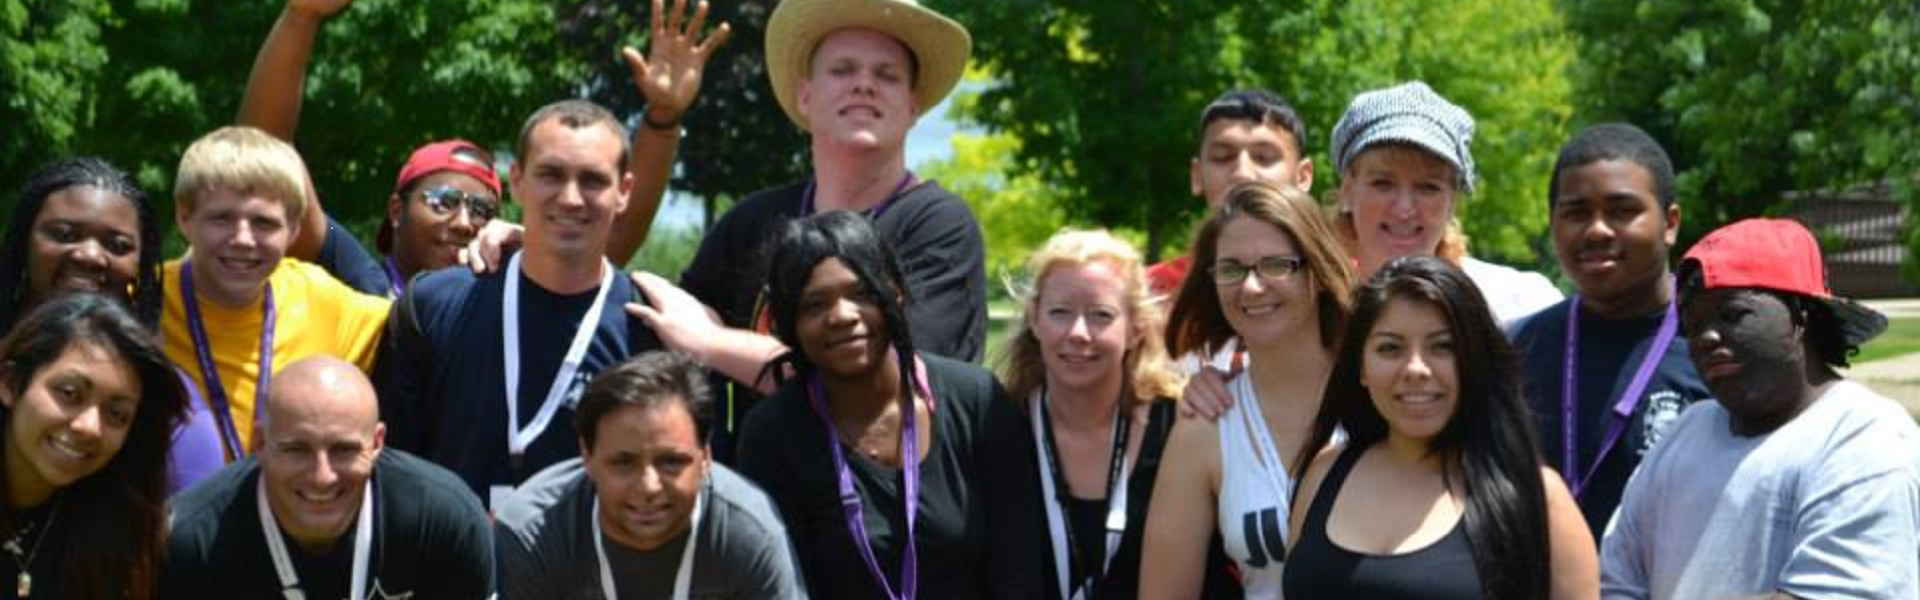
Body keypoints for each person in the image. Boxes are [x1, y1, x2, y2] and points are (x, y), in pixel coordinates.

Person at [622, 0, 988, 462]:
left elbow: (896, 381)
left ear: (914, 107)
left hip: (894, 506)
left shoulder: (938, 225)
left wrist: (712, 342)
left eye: (887, 75)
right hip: (766, 499)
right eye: (842, 69)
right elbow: (660, 322)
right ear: (805, 96)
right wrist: (531, 247)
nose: (864, 84)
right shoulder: (754, 222)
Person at [240, 0, 731, 297]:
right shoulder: (355, 281)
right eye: (441, 201)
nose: (462, 222)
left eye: (481, 208)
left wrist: (663, 118)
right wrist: (300, 17)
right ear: (396, 209)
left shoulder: (507, 288)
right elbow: (266, 161)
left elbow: (614, 232)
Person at [1600, 218, 1920, 599]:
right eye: (1693, 323)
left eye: (1733, 314)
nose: (1707, 337)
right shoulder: (1684, 432)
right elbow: (1616, 582)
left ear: (1799, 316)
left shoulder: (1865, 440)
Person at [736, 211, 1043, 598]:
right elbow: (781, 584)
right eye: (814, 305)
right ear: (788, 325)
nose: (842, 316)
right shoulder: (773, 433)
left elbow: (1020, 569)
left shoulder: (977, 399)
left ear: (895, 294)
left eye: (861, 294)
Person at [374, 99, 663, 508]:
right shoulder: (431, 306)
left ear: (624, 192)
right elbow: (392, 471)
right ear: (517, 179)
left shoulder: (649, 326)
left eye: (593, 180)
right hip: (454, 568)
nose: (571, 198)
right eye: (550, 175)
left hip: (593, 571)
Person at [1284, 256, 1596, 599]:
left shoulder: (1539, 499)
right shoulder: (1324, 472)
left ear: (1476, 360)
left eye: (1442, 346)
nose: (1416, 368)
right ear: (1361, 367)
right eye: (1390, 348)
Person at [1138, 182, 1356, 599]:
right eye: (1232, 269)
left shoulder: (1381, 398)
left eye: (1276, 265)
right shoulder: (1205, 425)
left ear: (1321, 273)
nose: (1252, 287)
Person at [1508, 123, 1708, 537]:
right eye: (1577, 213)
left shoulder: (1715, 346)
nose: (1597, 230)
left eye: (1622, 210)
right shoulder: (1516, 349)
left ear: (1670, 223)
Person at [162, 126, 391, 484]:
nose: (242, 239)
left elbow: (434, 319)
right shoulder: (145, 297)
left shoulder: (322, 299)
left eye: (264, 223)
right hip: (176, 523)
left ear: (295, 230)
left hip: (292, 515)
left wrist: (503, 242)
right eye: (221, 218)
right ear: (184, 217)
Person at [162, 356, 492, 599]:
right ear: (260, 443)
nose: (322, 476)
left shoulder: (444, 520)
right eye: (297, 450)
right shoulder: (188, 539)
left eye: (344, 450)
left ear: (377, 442)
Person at [495, 351, 805, 599]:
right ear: (587, 456)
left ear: (705, 457)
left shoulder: (749, 530)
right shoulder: (532, 532)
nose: (648, 487)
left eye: (671, 462)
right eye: (623, 463)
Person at [996, 229, 1185, 599]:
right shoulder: (998, 428)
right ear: (1035, 320)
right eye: (1059, 312)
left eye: (1101, 315)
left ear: (1135, 328)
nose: (1078, 333)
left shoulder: (1180, 429)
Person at [0, 294, 187, 600]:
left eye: (117, 414)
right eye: (69, 393)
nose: (89, 427)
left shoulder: (117, 529)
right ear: (9, 382)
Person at [1327, 81, 1560, 325]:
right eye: (1383, 184)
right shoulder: (1308, 311)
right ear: (1347, 192)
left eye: (1428, 187)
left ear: (1453, 203)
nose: (1404, 209)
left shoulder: (1516, 307)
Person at [1145, 89, 1316, 296]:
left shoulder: (1346, 285)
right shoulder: (1150, 292)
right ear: (1197, 176)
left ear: (1303, 177)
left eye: (1263, 157)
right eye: (1222, 157)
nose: (1242, 174)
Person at [0, 157, 164, 334]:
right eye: (64, 234)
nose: (90, 256)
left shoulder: (145, 360)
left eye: (118, 245)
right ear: (24, 239)